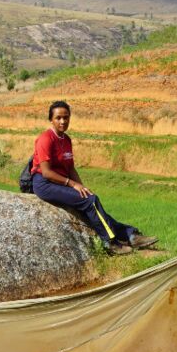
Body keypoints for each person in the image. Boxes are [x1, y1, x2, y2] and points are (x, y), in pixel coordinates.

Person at [31, 100, 157, 255]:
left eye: (66, 117)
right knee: (91, 201)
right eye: (58, 118)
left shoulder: (67, 140)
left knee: (91, 202)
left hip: (61, 182)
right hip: (45, 184)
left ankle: (131, 236)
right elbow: (46, 172)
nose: (63, 121)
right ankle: (110, 243)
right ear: (51, 119)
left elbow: (70, 168)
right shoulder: (46, 139)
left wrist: (81, 186)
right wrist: (72, 184)